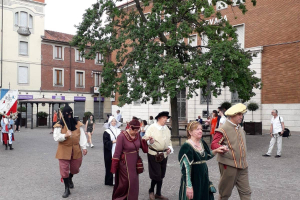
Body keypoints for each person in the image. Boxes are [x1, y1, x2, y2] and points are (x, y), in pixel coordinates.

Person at [211, 103, 251, 200]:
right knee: (224, 193)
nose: (241, 117)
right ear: (232, 115)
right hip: (229, 166)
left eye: (242, 114)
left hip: (243, 165)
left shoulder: (240, 127)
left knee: (246, 192)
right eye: (239, 115)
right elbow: (214, 144)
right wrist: (220, 148)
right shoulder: (223, 129)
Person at [179, 121, 227, 200]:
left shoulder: (202, 142)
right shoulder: (186, 147)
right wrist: (189, 186)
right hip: (193, 178)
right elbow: (185, 169)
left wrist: (217, 150)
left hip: (203, 177)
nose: (200, 131)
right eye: (197, 129)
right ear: (190, 132)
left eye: (201, 129)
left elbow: (206, 156)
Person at [111, 119, 152, 200]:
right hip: (124, 164)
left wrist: (148, 141)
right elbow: (117, 153)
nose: (136, 132)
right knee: (125, 183)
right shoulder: (121, 136)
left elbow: (142, 146)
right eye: (135, 130)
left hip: (134, 163)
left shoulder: (137, 135)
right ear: (130, 128)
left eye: (138, 130)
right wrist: (114, 166)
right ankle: (119, 198)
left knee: (134, 183)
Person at [53, 105, 88, 198]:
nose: (69, 115)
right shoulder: (59, 125)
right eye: (67, 114)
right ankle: (66, 188)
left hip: (76, 149)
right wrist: (65, 135)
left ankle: (70, 178)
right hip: (63, 150)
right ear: (63, 114)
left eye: (70, 113)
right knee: (64, 169)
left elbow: (82, 136)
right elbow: (56, 137)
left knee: (75, 168)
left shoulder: (77, 124)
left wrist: (84, 147)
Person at [143, 111, 174, 200]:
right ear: (159, 118)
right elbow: (145, 139)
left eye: (166, 118)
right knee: (156, 174)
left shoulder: (167, 128)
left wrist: (170, 148)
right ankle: (151, 191)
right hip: (154, 154)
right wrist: (150, 141)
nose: (166, 119)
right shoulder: (151, 128)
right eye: (164, 118)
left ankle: (158, 193)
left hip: (164, 154)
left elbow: (169, 140)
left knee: (161, 174)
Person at [103, 116, 121, 186]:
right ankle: (110, 180)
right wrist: (113, 141)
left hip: (118, 149)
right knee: (109, 165)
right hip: (110, 150)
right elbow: (105, 143)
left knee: (119, 164)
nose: (113, 122)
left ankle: (118, 180)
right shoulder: (106, 132)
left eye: (115, 121)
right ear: (110, 122)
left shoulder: (119, 130)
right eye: (112, 121)